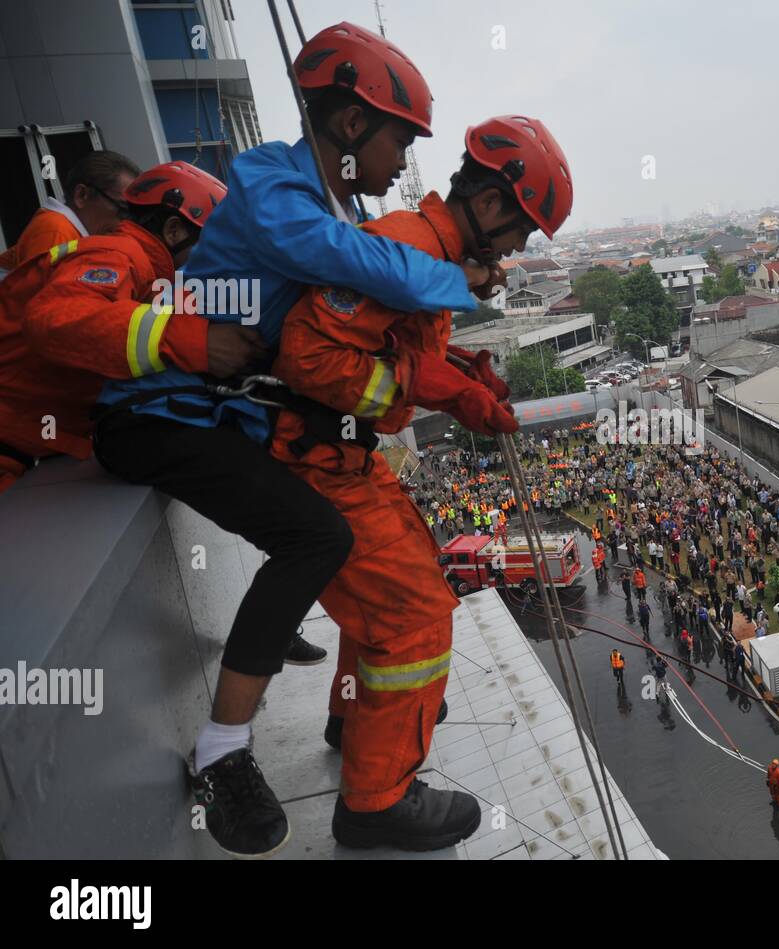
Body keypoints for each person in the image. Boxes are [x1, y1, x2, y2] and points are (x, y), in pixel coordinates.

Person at [91, 23, 494, 858]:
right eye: (398, 139)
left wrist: (452, 361)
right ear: (351, 127)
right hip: (156, 413)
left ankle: (334, 711)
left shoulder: (329, 205)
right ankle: (223, 755)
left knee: (324, 540)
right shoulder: (276, 183)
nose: (402, 162)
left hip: (208, 412)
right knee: (317, 536)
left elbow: (360, 303)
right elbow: (337, 259)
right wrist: (450, 278)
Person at [263, 113, 565, 852]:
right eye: (519, 235)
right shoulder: (408, 246)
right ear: (490, 206)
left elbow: (390, 347)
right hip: (316, 456)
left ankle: (354, 717)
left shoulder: (427, 256)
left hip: (338, 454)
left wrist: (459, 374)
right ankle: (376, 800)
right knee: (416, 617)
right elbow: (308, 357)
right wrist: (427, 387)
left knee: (395, 596)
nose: (512, 257)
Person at [0, 162, 249, 495]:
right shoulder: (118, 254)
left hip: (28, 442)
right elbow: (57, 321)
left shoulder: (144, 269)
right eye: (209, 243)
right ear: (174, 231)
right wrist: (194, 342)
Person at [0, 150, 140, 275]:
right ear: (82, 195)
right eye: (122, 209)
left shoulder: (74, 233)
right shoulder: (56, 232)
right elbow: (43, 300)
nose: (126, 221)